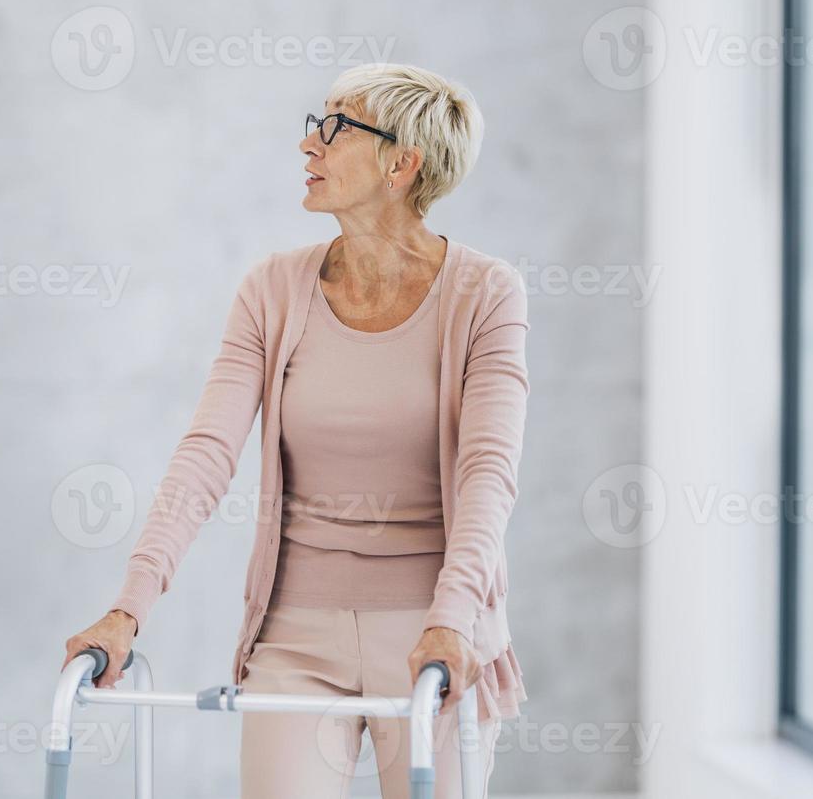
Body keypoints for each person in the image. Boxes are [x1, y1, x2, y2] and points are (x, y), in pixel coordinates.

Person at [62, 63, 530, 798]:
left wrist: (452, 622)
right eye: (316, 124)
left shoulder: (485, 294)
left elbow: (488, 472)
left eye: (337, 128)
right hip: (296, 636)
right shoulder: (272, 290)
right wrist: (129, 608)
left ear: (402, 163)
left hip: (434, 632)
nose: (310, 145)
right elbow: (207, 455)